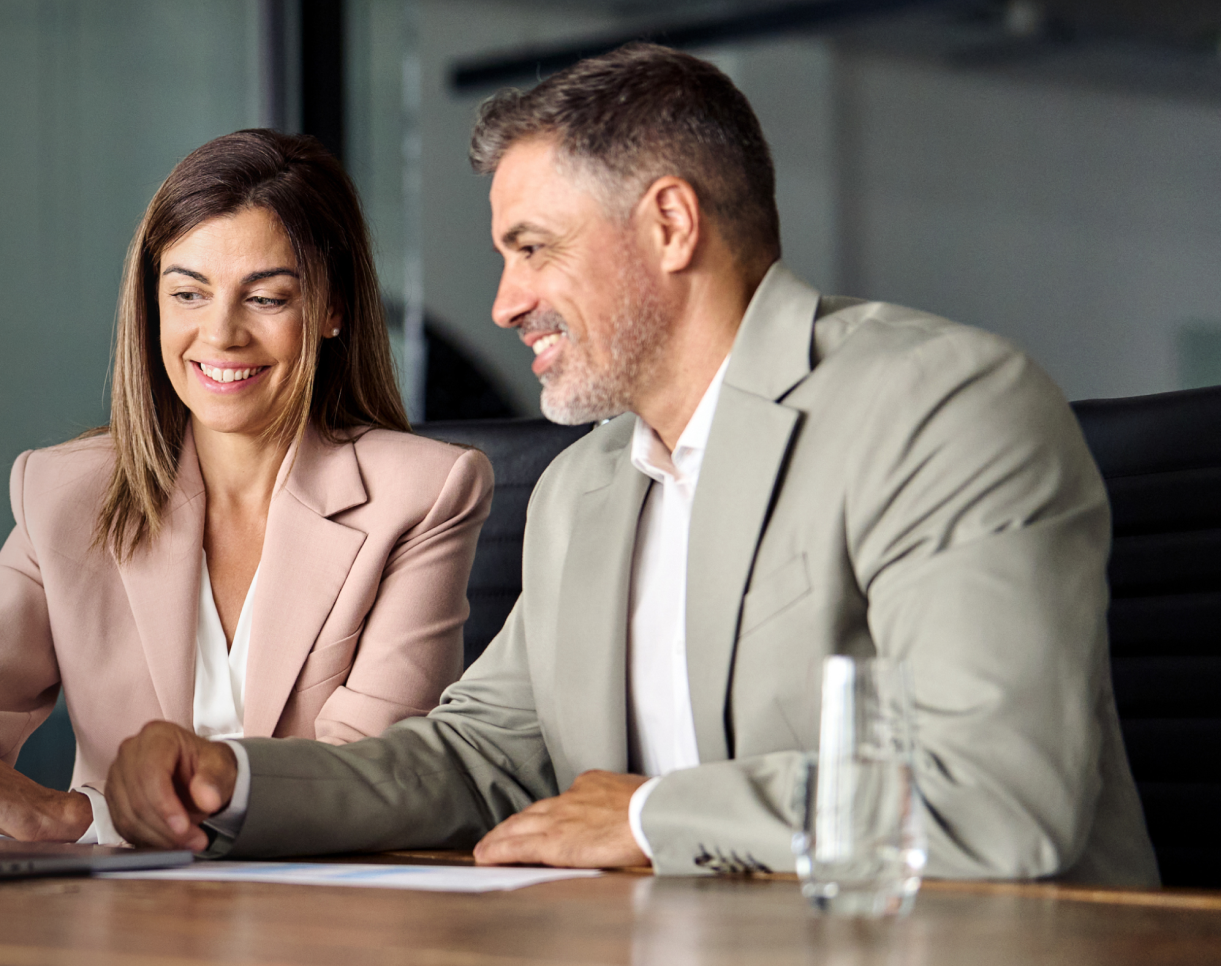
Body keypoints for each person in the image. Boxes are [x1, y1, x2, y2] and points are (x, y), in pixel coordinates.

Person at [100, 45, 1160, 886]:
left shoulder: (937, 407)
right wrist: (232, 778)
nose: (504, 301)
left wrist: (650, 816)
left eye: (531, 247)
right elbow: (474, 756)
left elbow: (992, 797)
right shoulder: (586, 488)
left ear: (666, 223)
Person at [0, 129, 493, 844]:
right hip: (123, 927)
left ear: (333, 309)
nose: (221, 334)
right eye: (187, 293)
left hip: (323, 920)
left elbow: (367, 783)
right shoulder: (66, 492)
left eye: (266, 298)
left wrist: (83, 816)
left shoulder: (423, 494)